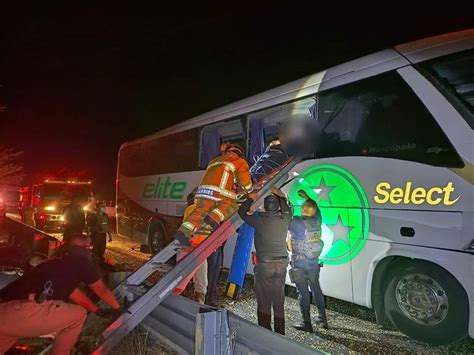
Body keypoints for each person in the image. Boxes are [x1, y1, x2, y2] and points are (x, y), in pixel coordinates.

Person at [0, 234, 121, 354]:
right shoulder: (81, 263)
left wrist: (98, 311)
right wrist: (117, 309)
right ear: (87, 247)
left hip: (5, 311)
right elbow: (101, 289)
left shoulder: (57, 265)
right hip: (26, 311)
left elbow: (73, 293)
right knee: (79, 314)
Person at [174, 143, 253, 306]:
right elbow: (246, 183)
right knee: (230, 205)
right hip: (219, 195)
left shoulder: (215, 161)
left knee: (199, 213)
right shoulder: (239, 162)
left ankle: (183, 231)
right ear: (239, 154)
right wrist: (247, 191)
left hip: (203, 194)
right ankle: (215, 218)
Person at [238, 187, 291, 335]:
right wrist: (280, 194)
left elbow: (241, 211)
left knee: (264, 300)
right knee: (278, 300)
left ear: (265, 207)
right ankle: (281, 335)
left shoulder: (259, 219)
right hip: (281, 265)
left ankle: (265, 334)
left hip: (264, 266)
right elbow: (287, 206)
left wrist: (251, 198)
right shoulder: (285, 218)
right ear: (278, 207)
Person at [288, 190, 328, 332]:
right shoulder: (317, 220)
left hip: (300, 264)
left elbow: (285, 218)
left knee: (303, 293)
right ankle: (323, 319)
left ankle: (306, 323)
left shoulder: (297, 223)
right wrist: (308, 198)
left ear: (303, 210)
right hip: (313, 263)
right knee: (316, 288)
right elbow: (315, 207)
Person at [174, 189, 208, 304]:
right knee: (180, 282)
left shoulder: (198, 210)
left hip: (200, 250)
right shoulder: (192, 209)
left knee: (201, 282)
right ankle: (170, 302)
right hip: (189, 250)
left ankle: (199, 304)